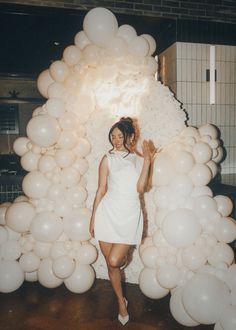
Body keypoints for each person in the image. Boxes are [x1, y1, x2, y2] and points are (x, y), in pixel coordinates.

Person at [89, 117, 158, 325]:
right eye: (113, 136)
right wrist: (92, 218)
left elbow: (142, 188)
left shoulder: (138, 159)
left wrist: (147, 160)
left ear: (130, 136)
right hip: (107, 214)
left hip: (129, 214)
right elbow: (101, 189)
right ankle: (121, 301)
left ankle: (125, 255)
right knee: (111, 266)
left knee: (114, 261)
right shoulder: (107, 159)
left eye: (120, 136)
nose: (116, 140)